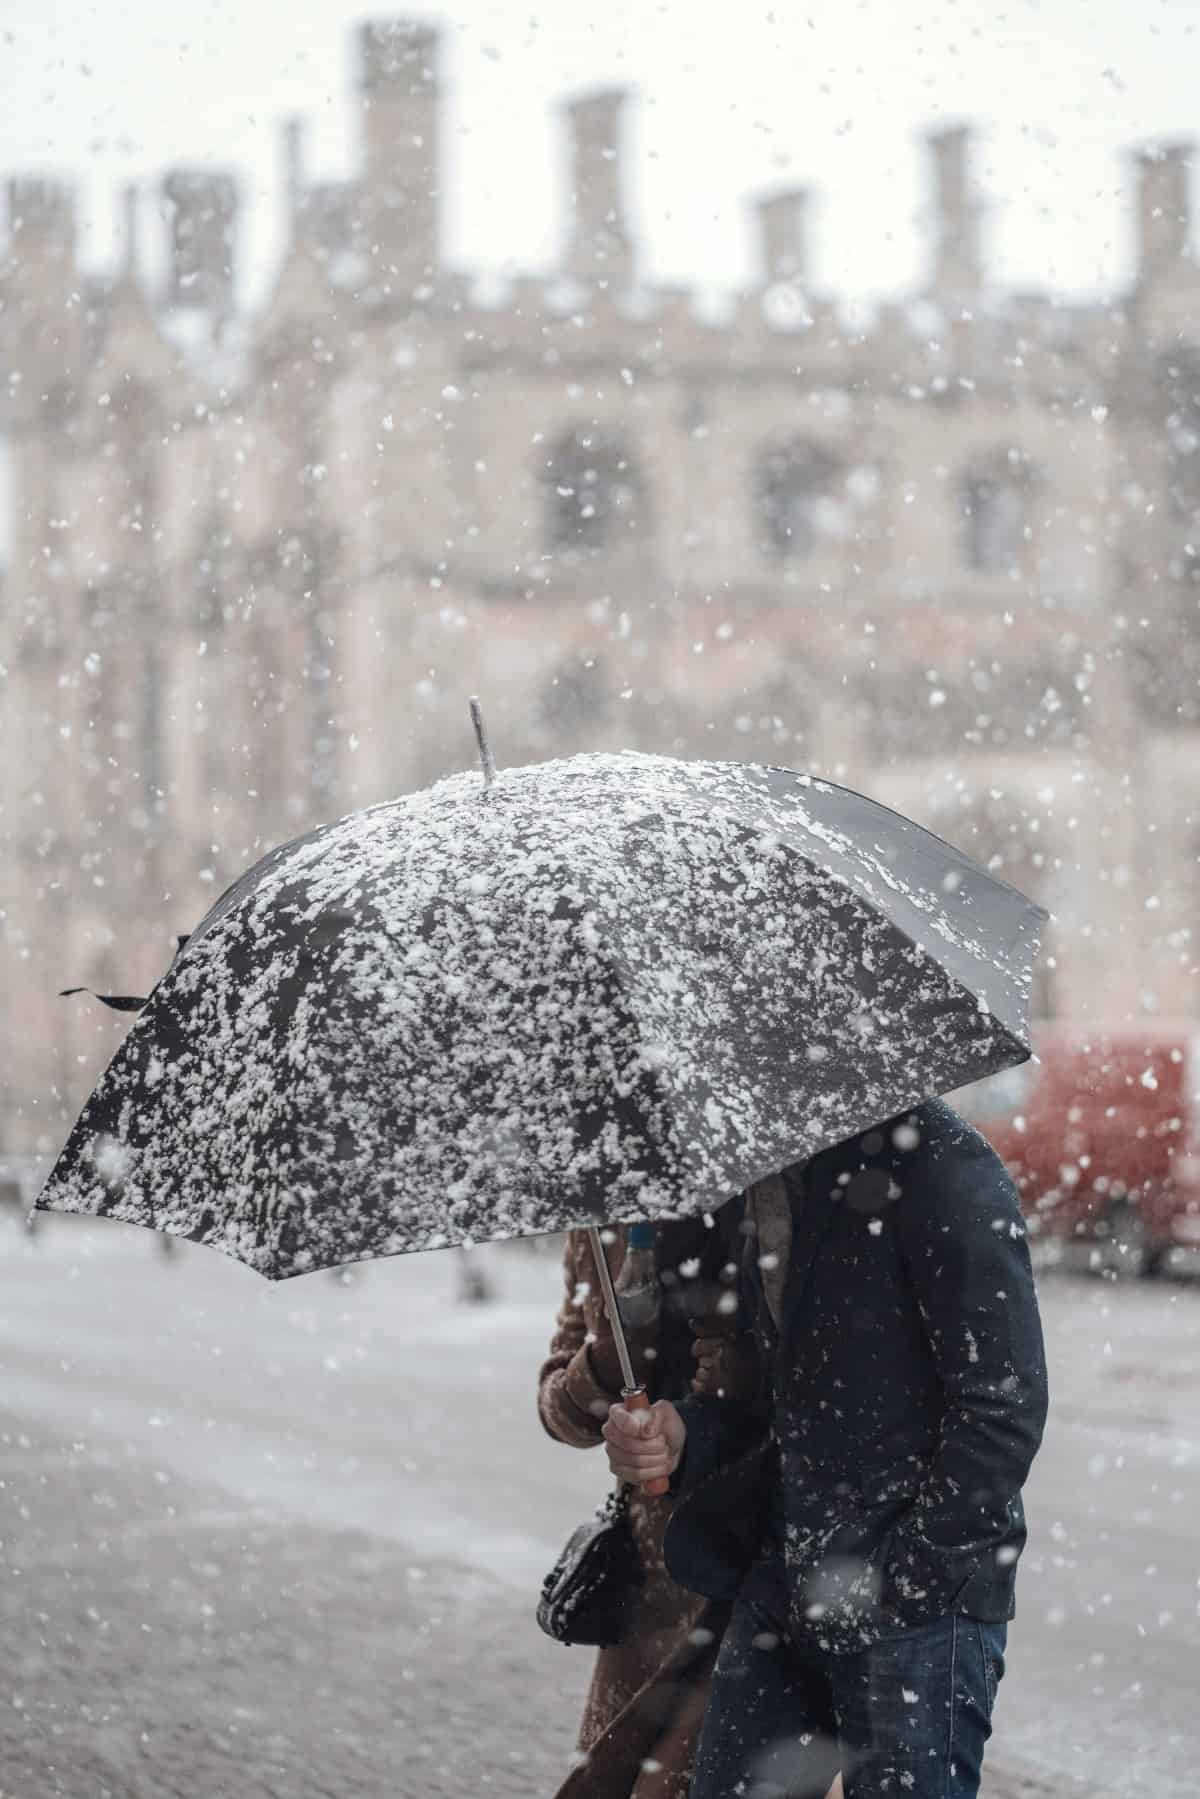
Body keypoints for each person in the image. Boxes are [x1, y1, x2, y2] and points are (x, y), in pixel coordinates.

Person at [602, 1099, 1049, 1799]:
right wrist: (682, 1434)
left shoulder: (940, 1163)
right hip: (785, 1582)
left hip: (914, 1604)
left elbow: (1003, 1404)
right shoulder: (770, 1176)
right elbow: (773, 1399)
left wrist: (912, 1576)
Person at [537, 1216, 753, 1799]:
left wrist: (731, 1390)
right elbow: (558, 1408)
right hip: (651, 1580)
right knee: (620, 1773)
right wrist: (606, 1362)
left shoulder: (764, 1198)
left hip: (754, 1555)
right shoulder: (596, 1223)